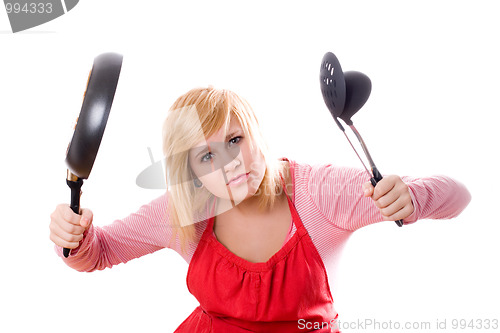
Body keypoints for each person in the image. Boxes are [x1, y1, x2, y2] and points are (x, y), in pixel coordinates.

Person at [49, 86, 471, 332]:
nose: (230, 164)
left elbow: (459, 195)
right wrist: (73, 236)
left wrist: (413, 199)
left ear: (255, 132)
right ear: (191, 173)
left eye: (235, 140)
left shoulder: (318, 193)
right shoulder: (186, 209)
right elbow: (96, 253)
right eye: (206, 156)